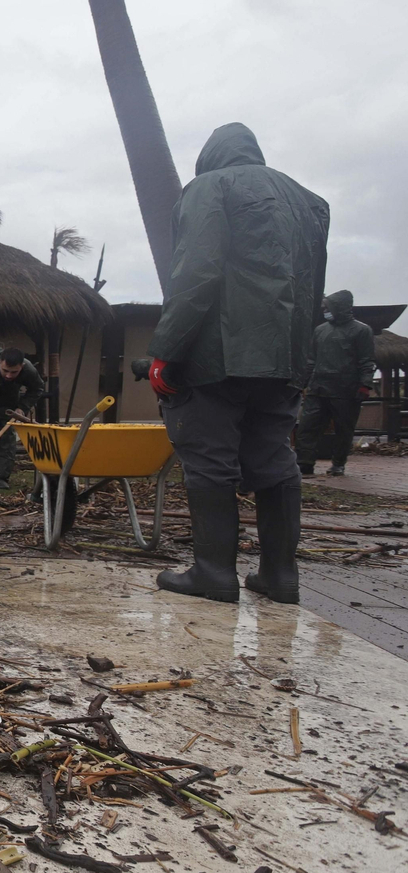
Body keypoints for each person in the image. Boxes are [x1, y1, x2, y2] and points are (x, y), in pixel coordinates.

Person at [147, 123, 330, 605]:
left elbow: (196, 271)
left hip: (218, 354)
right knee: (274, 460)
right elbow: (312, 288)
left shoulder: (211, 186)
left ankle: (213, 571)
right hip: (284, 355)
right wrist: (302, 358)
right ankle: (279, 576)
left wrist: (166, 350)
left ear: (211, 156)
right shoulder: (309, 202)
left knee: (209, 457)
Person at [296, 290, 376, 477]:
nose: (325, 310)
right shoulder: (320, 330)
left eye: (327, 307)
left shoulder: (362, 330)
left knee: (344, 430)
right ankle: (305, 464)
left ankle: (338, 463)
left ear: (339, 307)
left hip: (346, 391)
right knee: (307, 427)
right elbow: (311, 360)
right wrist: (302, 383)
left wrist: (365, 385)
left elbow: (367, 361)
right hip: (318, 388)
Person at [0, 347, 46, 490]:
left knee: (7, 438)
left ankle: (0, 478)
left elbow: (37, 388)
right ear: (0, 362)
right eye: (5, 370)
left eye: (14, 372)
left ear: (21, 366)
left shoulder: (28, 369)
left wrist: (22, 407)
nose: (9, 375)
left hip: (9, 400)